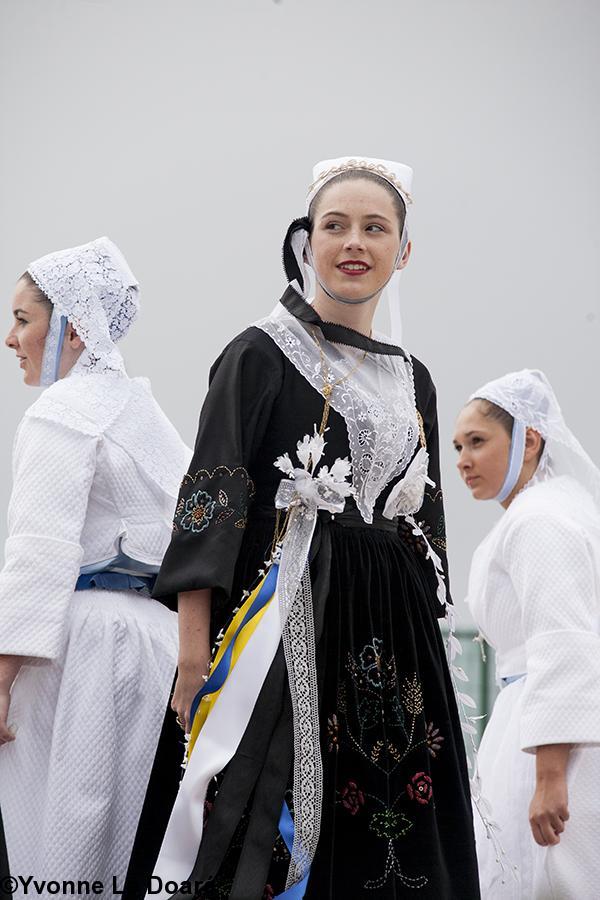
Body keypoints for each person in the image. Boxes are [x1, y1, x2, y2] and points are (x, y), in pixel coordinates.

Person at [139, 157, 481, 899]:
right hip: (284, 634)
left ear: (404, 250)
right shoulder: (257, 355)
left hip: (395, 643)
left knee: (397, 834)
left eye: (374, 228)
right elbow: (209, 506)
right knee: (271, 835)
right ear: (306, 240)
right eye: (335, 226)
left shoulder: (415, 378)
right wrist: (195, 660)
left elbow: (427, 526)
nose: (353, 242)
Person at [0, 237, 190, 889]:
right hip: (158, 644)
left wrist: (1, 674)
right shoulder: (147, 415)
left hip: (78, 650)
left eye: (23, 319)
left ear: (74, 330)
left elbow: (39, 548)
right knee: (139, 832)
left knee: (66, 840)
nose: (10, 337)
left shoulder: (61, 411)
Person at [454, 369, 600, 899]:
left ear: (530, 440)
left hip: (548, 738)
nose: (463, 460)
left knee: (540, 878)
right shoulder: (549, 509)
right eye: (457, 447)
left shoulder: (541, 520)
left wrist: (550, 776)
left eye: (477, 441)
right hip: (536, 723)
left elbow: (561, 642)